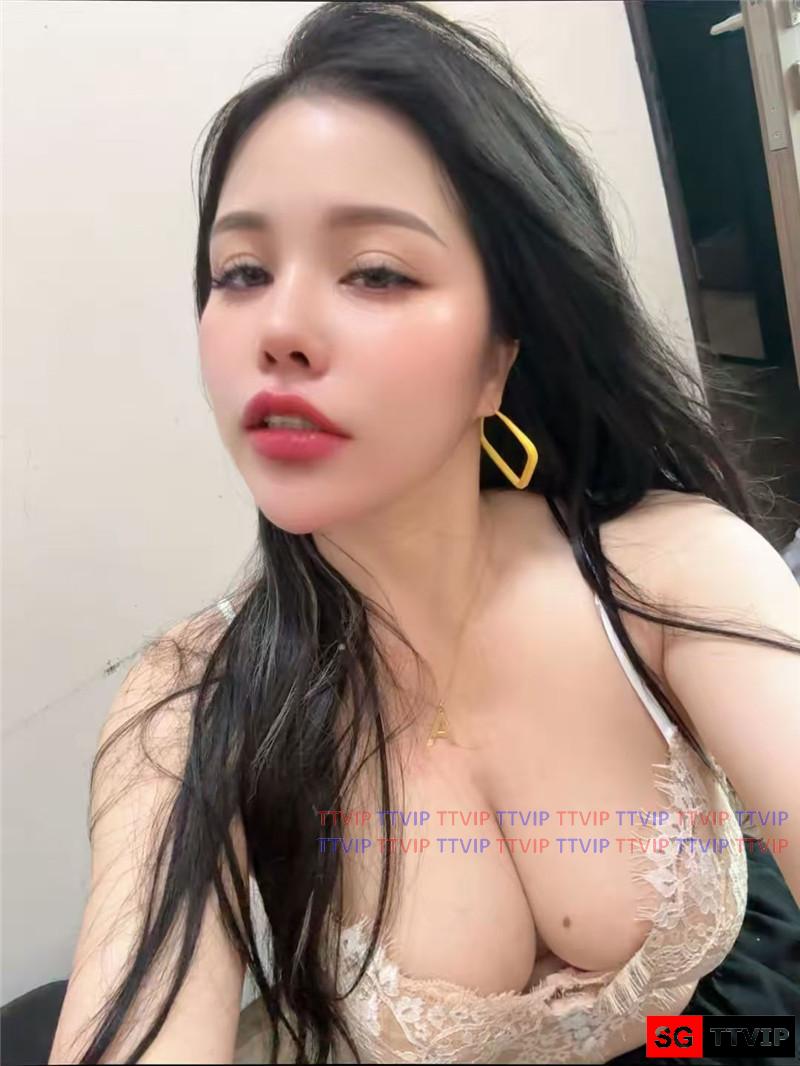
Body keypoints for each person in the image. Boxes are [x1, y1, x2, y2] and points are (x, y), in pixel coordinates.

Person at [49, 2, 800, 1063]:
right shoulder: (192, 709)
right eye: (241, 272)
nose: (280, 330)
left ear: (498, 357)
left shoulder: (666, 569)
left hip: (709, 1033)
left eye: (375, 271)